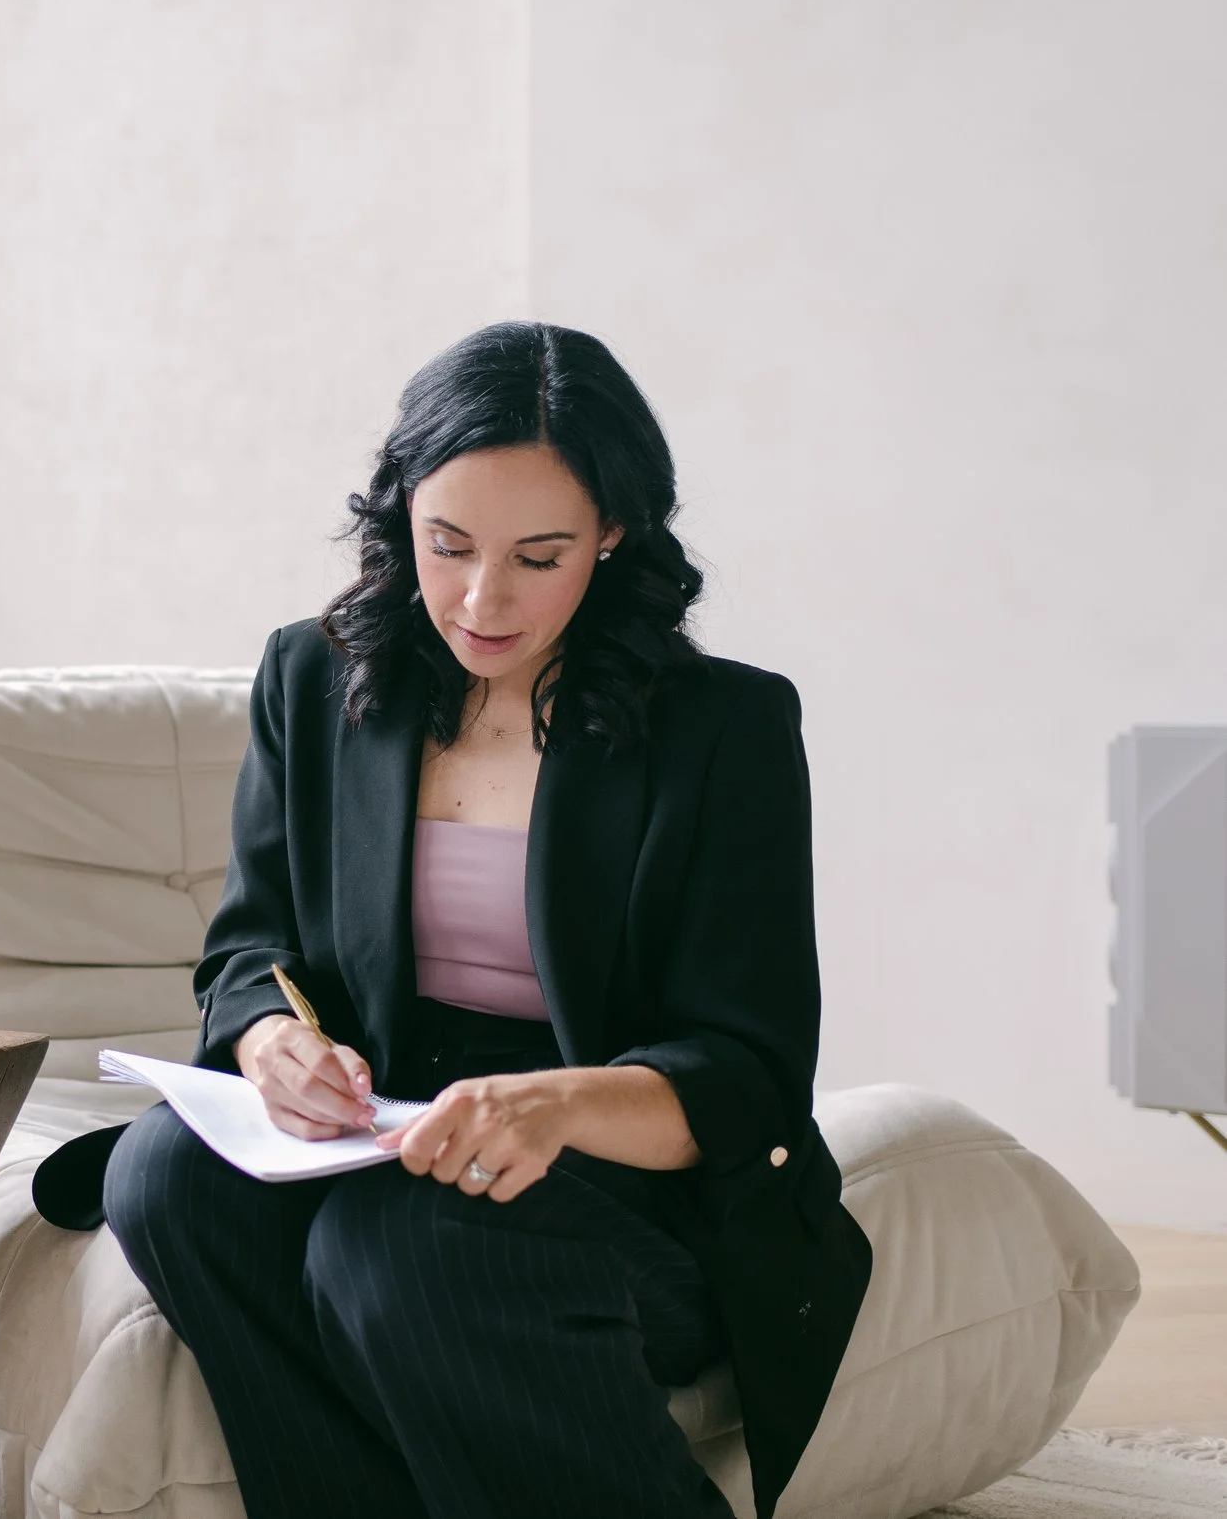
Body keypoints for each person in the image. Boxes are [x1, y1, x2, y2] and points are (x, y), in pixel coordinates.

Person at [91, 324, 871, 1518]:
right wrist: (267, 1040)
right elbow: (250, 949)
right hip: (391, 1124)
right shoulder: (315, 675)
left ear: (612, 533)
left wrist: (548, 1101)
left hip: (621, 1173)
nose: (479, 598)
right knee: (163, 1173)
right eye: (446, 544)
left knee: (401, 1240)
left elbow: (747, 1071)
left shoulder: (724, 729)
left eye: (538, 555)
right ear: (401, 513)